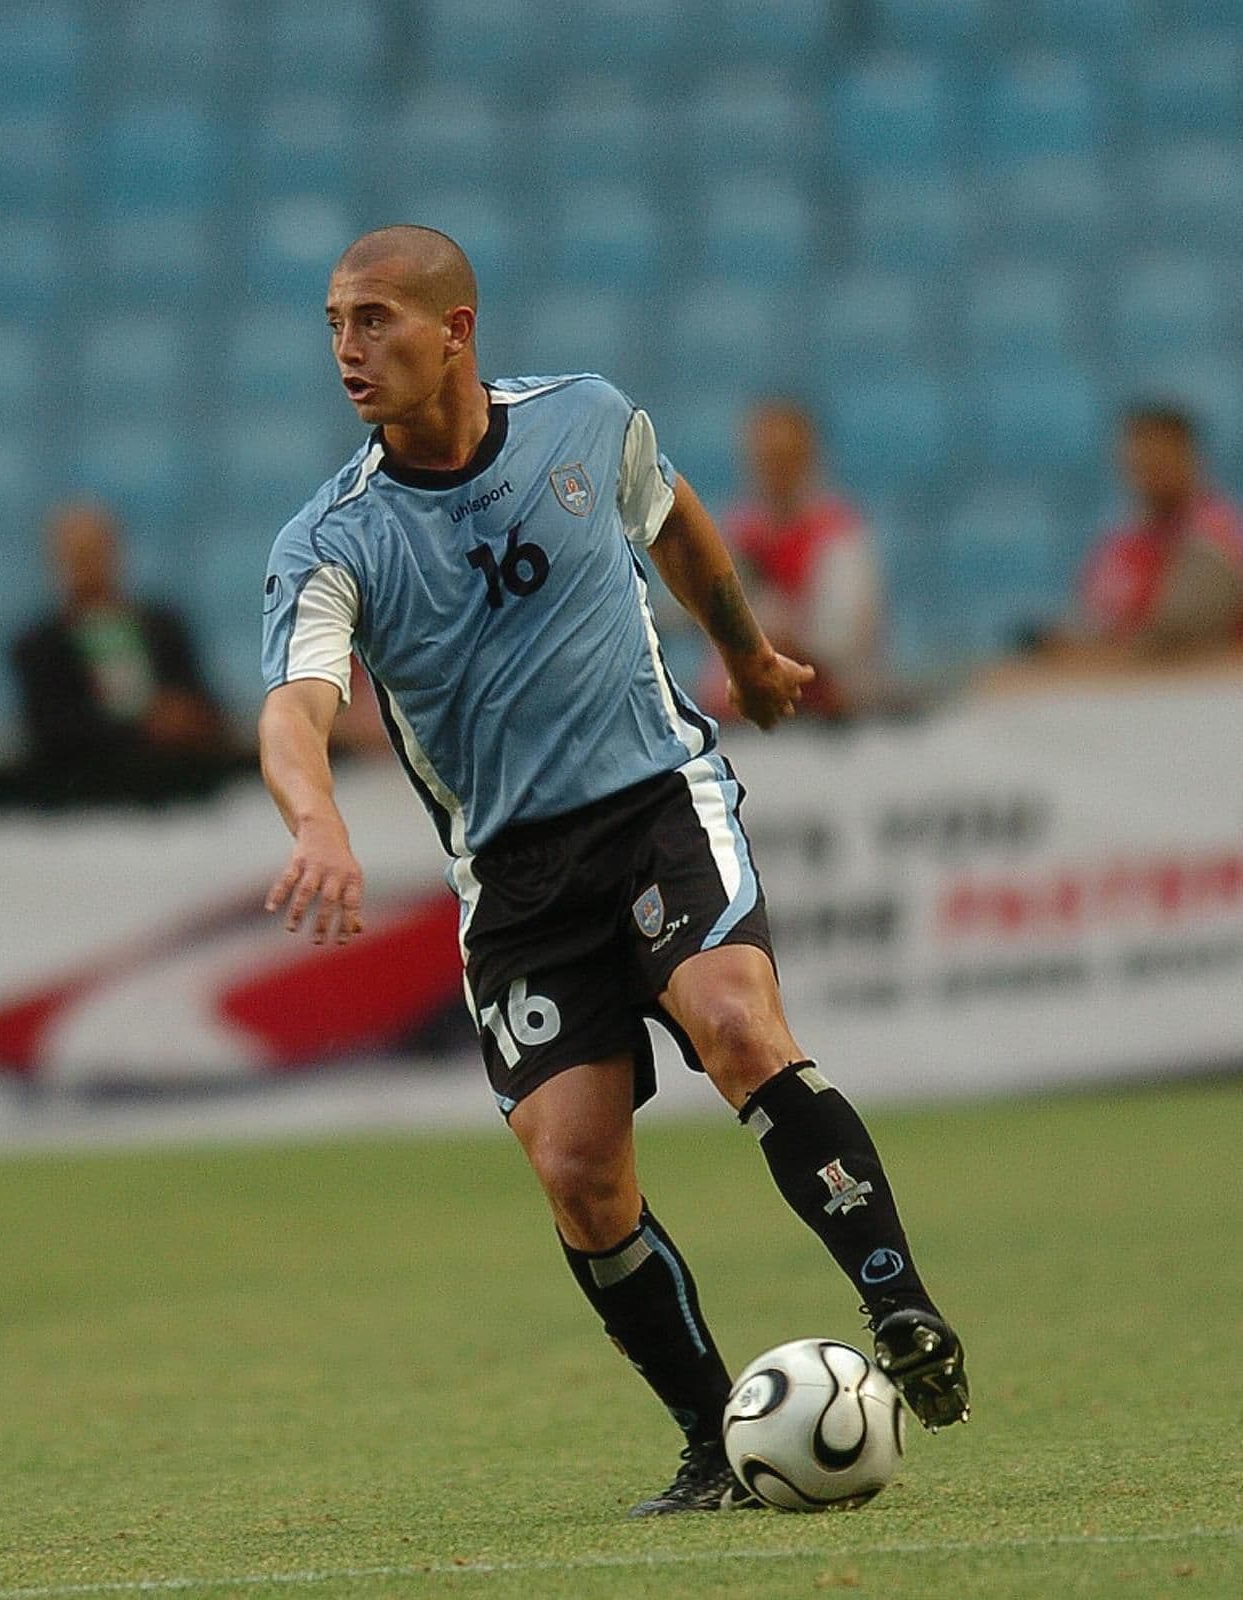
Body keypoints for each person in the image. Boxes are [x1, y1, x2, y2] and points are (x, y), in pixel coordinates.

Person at [257, 227, 968, 1516]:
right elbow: (295, 707)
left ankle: (899, 1301)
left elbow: (673, 517)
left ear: (456, 330)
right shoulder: (331, 538)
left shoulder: (584, 420)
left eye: (374, 320)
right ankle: (719, 1441)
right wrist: (315, 820)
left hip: (654, 803)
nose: (348, 349)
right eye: (333, 324)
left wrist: (745, 654)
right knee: (579, 1171)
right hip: (515, 877)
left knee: (740, 1021)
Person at [11, 500, 244, 785]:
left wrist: (190, 719)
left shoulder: (163, 629)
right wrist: (146, 728)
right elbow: (49, 731)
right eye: (77, 556)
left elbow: (205, 703)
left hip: (177, 795)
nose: (87, 566)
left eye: (95, 552)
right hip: (86, 801)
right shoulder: (39, 648)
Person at [697, 400, 885, 719]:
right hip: (740, 717)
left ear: (808, 458)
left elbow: (843, 639)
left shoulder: (837, 536)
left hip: (819, 717)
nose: (773, 469)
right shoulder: (735, 534)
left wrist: (775, 627)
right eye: (765, 457)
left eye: (784, 458)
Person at [1074, 405, 1243, 658]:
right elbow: (1095, 620)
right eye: (1140, 461)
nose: (1148, 472)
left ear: (1190, 458)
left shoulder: (1213, 538)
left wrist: (1085, 655)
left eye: (1159, 458)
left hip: (1198, 688)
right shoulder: (1122, 543)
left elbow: (1176, 637)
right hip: (1123, 685)